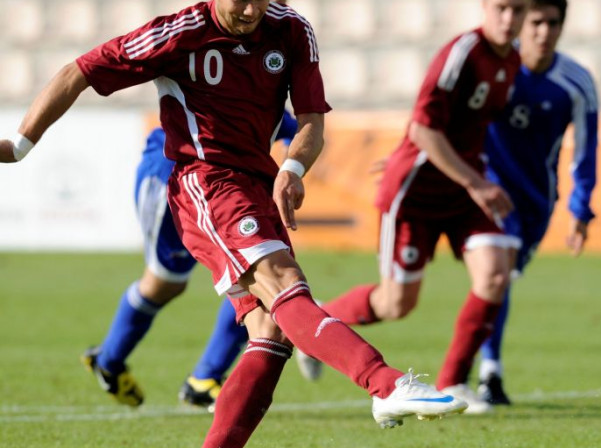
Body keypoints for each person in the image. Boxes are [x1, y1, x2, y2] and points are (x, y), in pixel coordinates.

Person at [0, 1, 467, 446]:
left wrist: (293, 168)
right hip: (206, 183)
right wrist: (21, 144)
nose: (250, 11)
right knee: (280, 284)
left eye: (259, 0)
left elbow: (311, 121)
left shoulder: (292, 30)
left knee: (271, 330)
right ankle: (384, 384)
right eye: (240, 0)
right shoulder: (179, 33)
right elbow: (78, 71)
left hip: (258, 184)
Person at [299, 0, 532, 414]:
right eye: (502, 8)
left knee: (495, 274)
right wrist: (468, 178)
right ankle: (317, 328)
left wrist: (469, 178)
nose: (510, 19)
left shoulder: (512, 58)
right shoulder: (461, 53)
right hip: (415, 194)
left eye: (518, 10)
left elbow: (464, 128)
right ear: (484, 7)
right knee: (396, 304)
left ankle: (455, 382)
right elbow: (423, 128)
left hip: (462, 191)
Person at [80, 109, 296, 411]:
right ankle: (108, 360)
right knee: (164, 284)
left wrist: (288, 169)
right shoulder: (216, 68)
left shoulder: (259, 78)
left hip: (222, 187)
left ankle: (204, 380)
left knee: (254, 273)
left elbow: (291, 128)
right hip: (168, 175)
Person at [476, 0, 598, 405]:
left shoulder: (576, 82)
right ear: (521, 24)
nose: (544, 31)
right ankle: (488, 373)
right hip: (488, 190)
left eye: (553, 23)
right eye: (537, 22)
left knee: (501, 278)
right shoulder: (493, 68)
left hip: (536, 201)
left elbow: (585, 151)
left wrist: (580, 209)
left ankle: (326, 318)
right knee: (498, 274)